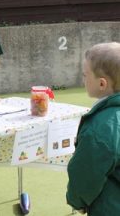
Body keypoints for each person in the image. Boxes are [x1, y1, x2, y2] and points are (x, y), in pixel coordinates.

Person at [66, 42, 120, 216]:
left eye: (85, 75)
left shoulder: (101, 128)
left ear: (102, 84)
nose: (83, 79)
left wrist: (77, 201)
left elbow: (85, 174)